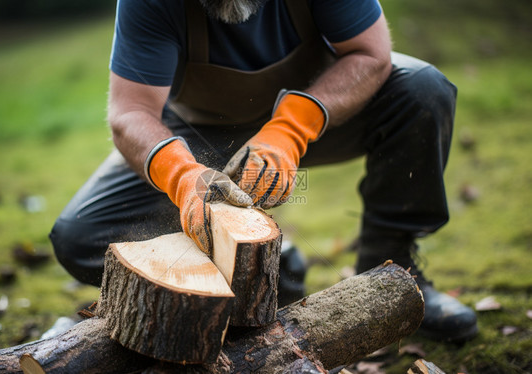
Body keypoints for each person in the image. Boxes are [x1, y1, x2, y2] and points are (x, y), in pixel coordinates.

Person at [50, 0, 478, 343]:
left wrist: (290, 128)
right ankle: (268, 271)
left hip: (318, 111)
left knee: (423, 90)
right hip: (197, 137)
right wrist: (182, 177)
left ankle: (393, 277)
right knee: (81, 235)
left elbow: (370, 53)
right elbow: (131, 111)